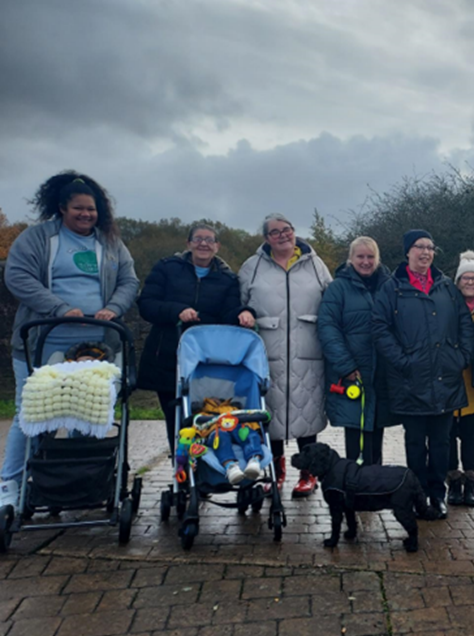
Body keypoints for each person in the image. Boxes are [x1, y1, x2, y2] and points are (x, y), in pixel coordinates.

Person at [1, 172, 138, 507]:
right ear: (62, 208)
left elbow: (128, 280)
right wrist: (60, 308)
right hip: (43, 340)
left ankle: (77, 482)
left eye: (91, 209)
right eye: (78, 208)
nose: (86, 214)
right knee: (30, 414)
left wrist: (113, 308)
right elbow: (17, 276)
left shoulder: (109, 242)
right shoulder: (38, 238)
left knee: (87, 410)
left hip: (96, 344)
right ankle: (11, 484)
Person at [371, 230, 474, 520]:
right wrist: (402, 361)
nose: (426, 252)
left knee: (441, 443)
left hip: (445, 379)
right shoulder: (392, 288)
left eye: (430, 247)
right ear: (408, 252)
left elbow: (465, 323)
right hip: (410, 381)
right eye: (420, 247)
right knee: (415, 443)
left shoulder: (446, 288)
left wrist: (461, 357)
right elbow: (379, 327)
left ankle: (437, 495)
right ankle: (417, 496)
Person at [136, 222, 254, 454]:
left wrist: (245, 312)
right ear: (188, 244)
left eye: (209, 240)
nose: (203, 244)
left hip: (206, 362)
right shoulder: (166, 268)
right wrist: (176, 311)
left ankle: (205, 470)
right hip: (168, 358)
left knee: (207, 417)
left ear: (217, 246)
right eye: (198, 239)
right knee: (177, 420)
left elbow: (229, 313)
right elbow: (147, 305)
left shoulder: (227, 279)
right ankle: (181, 470)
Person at [238, 214, 332, 498]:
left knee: (308, 413)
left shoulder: (315, 264)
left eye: (287, 230)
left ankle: (308, 473)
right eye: (275, 232)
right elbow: (238, 301)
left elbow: (332, 298)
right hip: (266, 351)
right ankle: (274, 471)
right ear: (266, 238)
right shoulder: (251, 267)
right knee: (270, 413)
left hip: (308, 350)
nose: (283, 236)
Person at [317, 236, 396, 466]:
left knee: (376, 429)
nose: (365, 261)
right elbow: (328, 328)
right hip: (352, 373)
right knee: (355, 432)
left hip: (380, 372)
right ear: (350, 259)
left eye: (370, 257)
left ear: (377, 259)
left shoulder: (389, 286)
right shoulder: (337, 288)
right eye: (360, 256)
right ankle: (355, 484)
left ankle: (375, 482)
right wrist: (347, 365)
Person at [446, 251, 474, 507]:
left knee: (470, 433)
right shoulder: (448, 305)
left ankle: (471, 479)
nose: (470, 282)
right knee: (448, 434)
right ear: (458, 281)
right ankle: (452, 480)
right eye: (465, 278)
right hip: (451, 381)